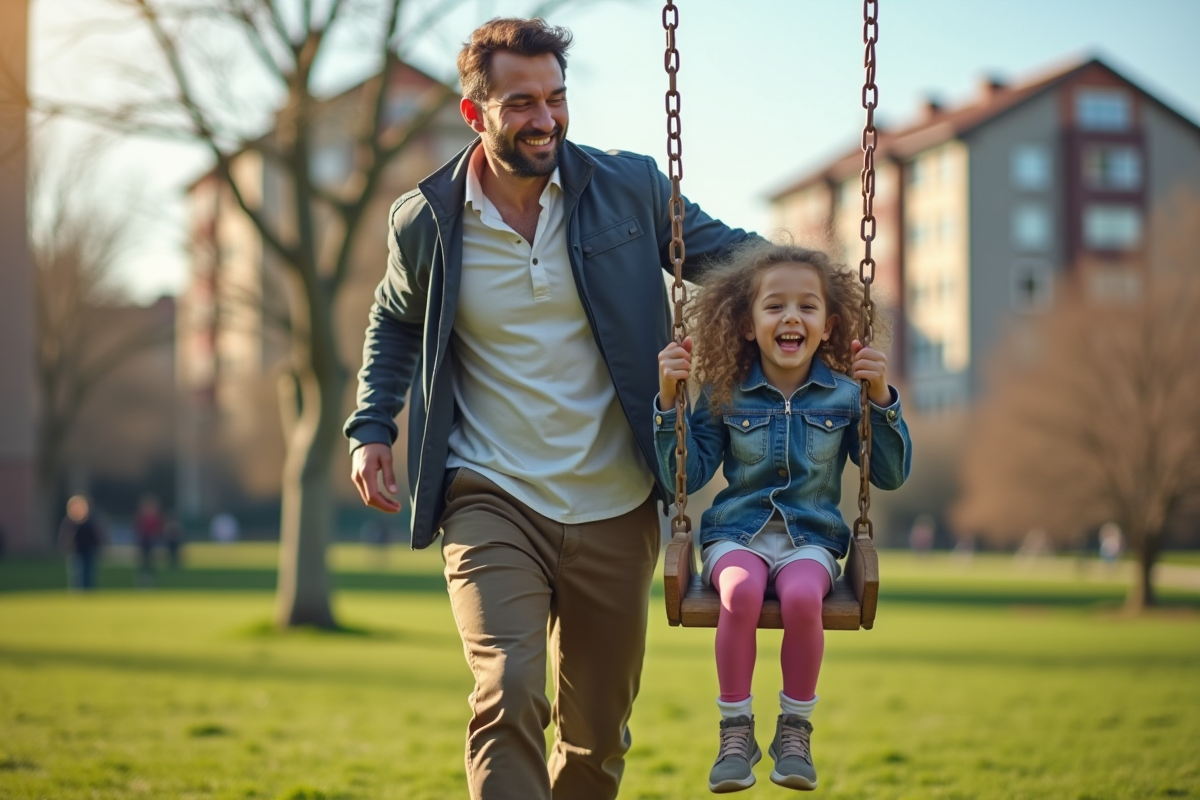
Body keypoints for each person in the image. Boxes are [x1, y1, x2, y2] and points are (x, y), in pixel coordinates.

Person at [344, 17, 755, 800]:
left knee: (597, 738)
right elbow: (393, 318)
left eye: (557, 98)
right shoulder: (426, 220)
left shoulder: (629, 190)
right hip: (489, 493)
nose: (546, 120)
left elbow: (732, 256)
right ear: (477, 114)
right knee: (510, 690)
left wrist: (826, 292)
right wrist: (372, 425)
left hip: (615, 501)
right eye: (522, 103)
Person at [653, 242, 912, 793]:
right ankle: (735, 731)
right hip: (736, 536)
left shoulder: (847, 397)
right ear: (748, 325)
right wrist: (669, 401)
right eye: (774, 306)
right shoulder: (724, 395)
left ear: (827, 326)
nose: (791, 316)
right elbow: (690, 473)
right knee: (740, 592)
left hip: (810, 540)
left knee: (800, 599)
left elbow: (888, 474)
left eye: (807, 307)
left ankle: (795, 729)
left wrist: (882, 397)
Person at [59, 495, 104, 591]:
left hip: (88, 550)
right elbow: (66, 537)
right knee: (77, 572)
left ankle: (88, 590)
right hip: (76, 550)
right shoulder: (70, 522)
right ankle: (78, 590)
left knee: (88, 572)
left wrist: (98, 545)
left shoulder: (90, 521)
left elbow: (96, 535)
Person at [133, 494, 164, 583]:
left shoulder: (156, 517)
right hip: (143, 541)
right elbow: (138, 528)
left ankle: (150, 577)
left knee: (151, 560)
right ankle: (142, 577)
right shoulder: (141, 516)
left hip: (151, 541)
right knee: (143, 561)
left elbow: (159, 528)